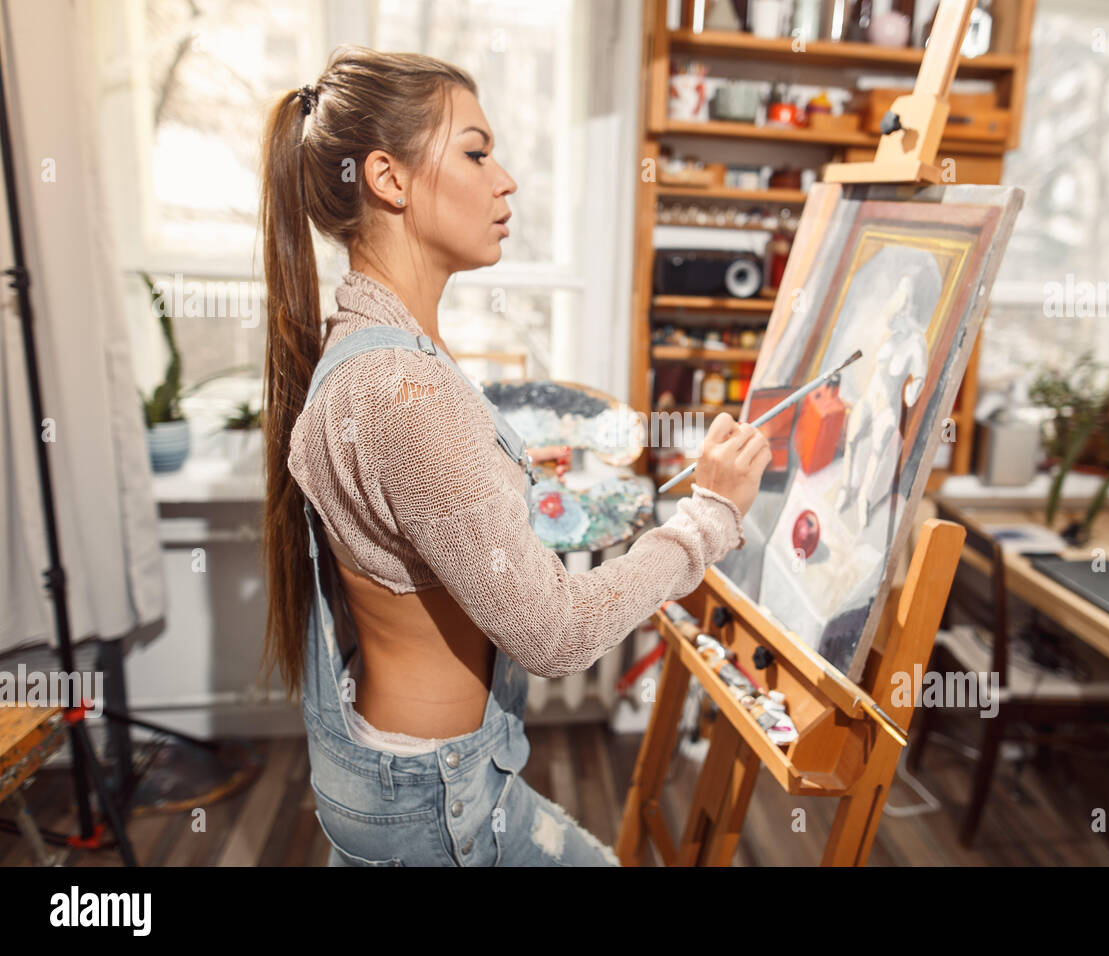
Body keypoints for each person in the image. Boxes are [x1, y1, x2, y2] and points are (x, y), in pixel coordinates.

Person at [258, 47, 770, 867]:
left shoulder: (374, 352)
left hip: (414, 774)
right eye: (475, 151)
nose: (506, 180)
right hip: (437, 803)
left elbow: (437, 539)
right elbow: (555, 636)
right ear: (388, 179)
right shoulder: (400, 391)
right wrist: (709, 517)